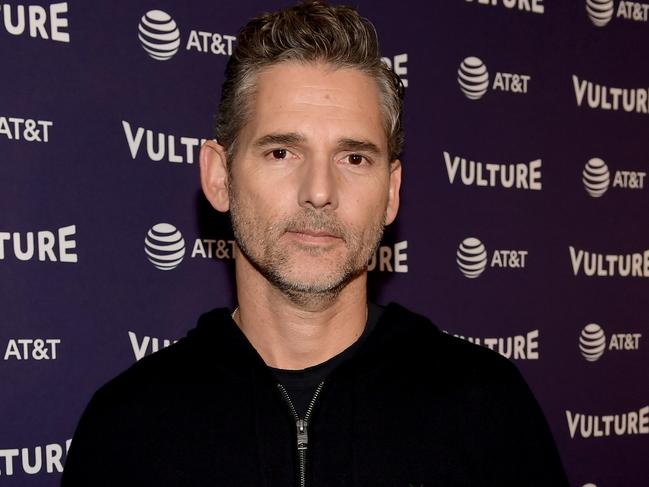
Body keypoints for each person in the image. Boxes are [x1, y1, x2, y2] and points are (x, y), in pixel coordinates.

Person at [62, 1, 569, 485]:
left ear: (391, 192)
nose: (320, 192)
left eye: (354, 158)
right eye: (282, 152)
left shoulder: (486, 406)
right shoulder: (127, 427)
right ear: (219, 178)